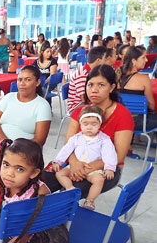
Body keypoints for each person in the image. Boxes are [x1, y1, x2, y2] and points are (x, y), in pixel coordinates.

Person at [43, 64, 134, 199]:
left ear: (112, 87)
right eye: (90, 85)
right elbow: (69, 143)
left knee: (71, 193)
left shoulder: (123, 115)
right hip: (74, 161)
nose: (94, 90)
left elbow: (118, 156)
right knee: (40, 181)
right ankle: (33, 214)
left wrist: (84, 169)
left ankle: (58, 217)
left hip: (107, 167)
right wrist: (74, 164)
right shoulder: (80, 111)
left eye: (101, 85)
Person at [52, 105, 117, 210]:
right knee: (60, 174)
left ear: (100, 124)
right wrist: (58, 161)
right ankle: (69, 188)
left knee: (99, 180)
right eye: (85, 124)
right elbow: (66, 150)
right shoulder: (76, 138)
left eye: (94, 124)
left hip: (92, 170)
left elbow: (109, 154)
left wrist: (109, 168)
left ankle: (89, 201)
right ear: (80, 124)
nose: (89, 127)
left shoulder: (104, 140)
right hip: (74, 167)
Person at [0, 65, 51, 146]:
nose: (22, 83)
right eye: (19, 79)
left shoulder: (42, 105)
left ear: (37, 82)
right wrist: (6, 143)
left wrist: (14, 149)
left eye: (28, 80)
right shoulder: (8, 97)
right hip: (0, 146)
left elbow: (39, 140)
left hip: (24, 152)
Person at [117, 46, 156, 132]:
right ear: (133, 61)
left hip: (118, 120)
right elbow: (151, 104)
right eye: (143, 57)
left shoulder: (117, 76)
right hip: (137, 122)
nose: (146, 60)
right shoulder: (144, 79)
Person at [67, 46, 107, 114]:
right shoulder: (83, 74)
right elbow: (84, 99)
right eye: (104, 59)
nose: (105, 61)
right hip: (77, 107)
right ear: (98, 60)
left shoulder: (92, 71)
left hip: (87, 102)